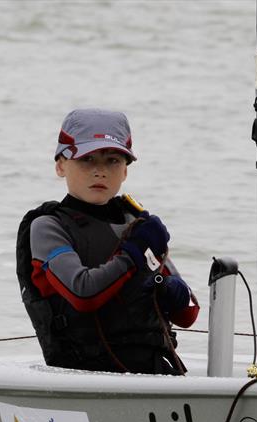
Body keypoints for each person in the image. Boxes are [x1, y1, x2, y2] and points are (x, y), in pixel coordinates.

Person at [16, 108, 199, 375]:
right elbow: (83, 293)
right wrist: (132, 256)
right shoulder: (48, 226)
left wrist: (172, 289)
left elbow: (189, 315)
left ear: (125, 171)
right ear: (60, 165)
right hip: (86, 378)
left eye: (112, 160)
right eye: (87, 159)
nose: (100, 171)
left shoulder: (136, 224)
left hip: (157, 375)